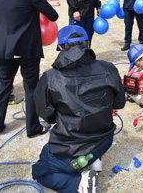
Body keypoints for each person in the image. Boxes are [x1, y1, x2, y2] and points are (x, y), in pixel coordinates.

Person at [32, 25, 125, 193]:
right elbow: (119, 103)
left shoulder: (50, 77)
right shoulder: (109, 68)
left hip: (71, 147)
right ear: (87, 44)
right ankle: (94, 159)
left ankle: (80, 184)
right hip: (104, 139)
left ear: (60, 47)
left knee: (40, 171)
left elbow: (46, 114)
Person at [0, 0, 59, 136]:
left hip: (2, 46)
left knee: (3, 86)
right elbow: (52, 15)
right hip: (25, 47)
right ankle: (33, 127)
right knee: (31, 88)